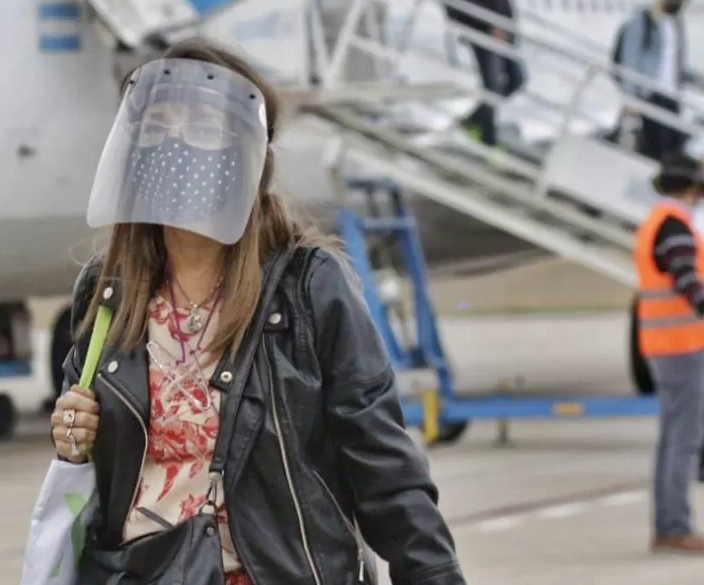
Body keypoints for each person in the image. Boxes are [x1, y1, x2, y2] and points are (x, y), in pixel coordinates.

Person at [51, 38, 465, 585]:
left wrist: (434, 574)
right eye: (158, 128)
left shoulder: (311, 285)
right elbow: (102, 493)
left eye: (200, 130)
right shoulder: (107, 294)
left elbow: (384, 467)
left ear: (243, 155)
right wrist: (75, 442)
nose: (176, 146)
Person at [634, 154, 704, 553]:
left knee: (672, 438)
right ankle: (675, 526)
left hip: (666, 346)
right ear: (693, 189)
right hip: (683, 345)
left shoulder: (657, 222)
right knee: (685, 438)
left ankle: (668, 524)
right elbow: (685, 274)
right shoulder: (675, 227)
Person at [441, 0, 524, 148]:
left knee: (514, 80)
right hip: (484, 33)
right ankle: (486, 139)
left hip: (500, 34)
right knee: (493, 86)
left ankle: (474, 122)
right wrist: (489, 26)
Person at [611, 0, 704, 161]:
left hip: (671, 97)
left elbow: (675, 66)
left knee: (673, 149)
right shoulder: (643, 20)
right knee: (653, 150)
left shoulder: (675, 26)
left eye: (681, 0)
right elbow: (629, 60)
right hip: (649, 95)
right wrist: (630, 97)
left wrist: (700, 81)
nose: (677, 3)